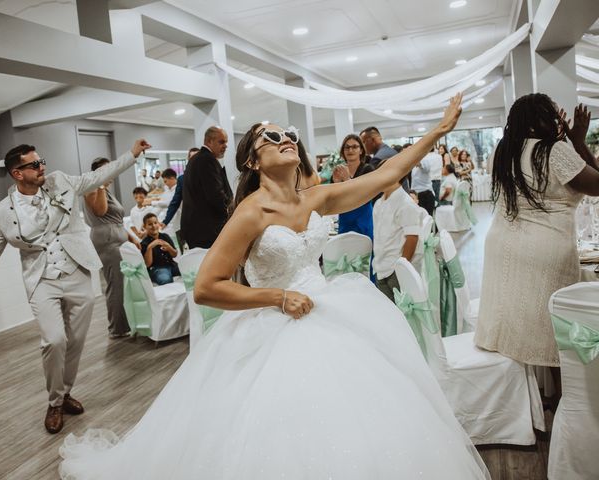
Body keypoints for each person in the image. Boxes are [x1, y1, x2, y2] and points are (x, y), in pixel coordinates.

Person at [59, 95, 490, 479]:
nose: (286, 139)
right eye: (272, 137)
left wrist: (438, 130)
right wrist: (277, 297)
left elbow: (386, 174)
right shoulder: (251, 212)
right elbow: (206, 288)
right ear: (252, 161)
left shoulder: (314, 197)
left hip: (332, 313)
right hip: (272, 329)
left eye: (289, 135)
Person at [0, 139, 150, 434]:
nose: (42, 167)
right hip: (41, 280)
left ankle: (65, 392)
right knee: (54, 340)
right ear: (17, 173)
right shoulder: (0, 213)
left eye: (41, 161)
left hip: (76, 272)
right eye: (34, 164)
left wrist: (133, 154)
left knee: (76, 340)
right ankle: (54, 403)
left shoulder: (60, 181)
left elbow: (97, 177)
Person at [475, 97, 599, 372]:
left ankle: (528, 393)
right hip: (545, 247)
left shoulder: (502, 151)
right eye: (553, 114)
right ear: (538, 119)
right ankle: (556, 400)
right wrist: (577, 140)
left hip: (503, 243)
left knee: (517, 320)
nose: (559, 120)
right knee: (551, 325)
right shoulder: (553, 151)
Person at [83, 158, 134, 339]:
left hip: (117, 238)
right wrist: (102, 185)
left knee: (123, 283)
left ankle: (126, 323)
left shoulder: (105, 190)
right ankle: (117, 328)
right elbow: (101, 211)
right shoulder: (92, 189)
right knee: (116, 284)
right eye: (108, 170)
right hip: (107, 241)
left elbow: (118, 219)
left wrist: (134, 239)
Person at [373, 177, 427, 302]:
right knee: (387, 311)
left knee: (401, 311)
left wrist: (401, 267)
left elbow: (412, 237)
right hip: (381, 266)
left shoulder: (405, 203)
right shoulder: (379, 203)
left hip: (395, 268)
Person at [181, 126, 233, 248]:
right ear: (209, 141)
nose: (225, 146)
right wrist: (230, 213)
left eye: (226, 142)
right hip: (206, 229)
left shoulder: (195, 159)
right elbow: (215, 195)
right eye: (221, 142)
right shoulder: (207, 160)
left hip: (196, 227)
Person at [331, 134, 374, 239]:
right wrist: (336, 183)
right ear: (343, 151)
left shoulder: (368, 169)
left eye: (354, 147)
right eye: (347, 147)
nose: (350, 150)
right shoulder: (339, 171)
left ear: (361, 150)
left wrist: (347, 180)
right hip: (345, 218)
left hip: (363, 218)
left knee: (364, 250)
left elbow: (366, 195)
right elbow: (334, 198)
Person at [161, 148, 199, 252]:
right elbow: (175, 202)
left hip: (209, 223)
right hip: (190, 222)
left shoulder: (210, 175)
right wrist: (165, 221)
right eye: (192, 157)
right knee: (192, 252)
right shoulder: (182, 179)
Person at [140, 213, 180, 285]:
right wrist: (150, 247)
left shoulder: (165, 236)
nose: (153, 226)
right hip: (157, 268)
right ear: (145, 227)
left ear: (158, 224)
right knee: (165, 279)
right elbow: (147, 264)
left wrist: (169, 247)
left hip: (172, 265)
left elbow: (175, 254)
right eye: (150, 224)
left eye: (155, 223)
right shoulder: (144, 243)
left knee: (187, 270)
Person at [411, 147, 437, 217]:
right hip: (417, 195)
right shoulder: (413, 164)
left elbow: (426, 168)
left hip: (426, 195)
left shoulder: (425, 159)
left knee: (427, 219)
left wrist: (418, 162)